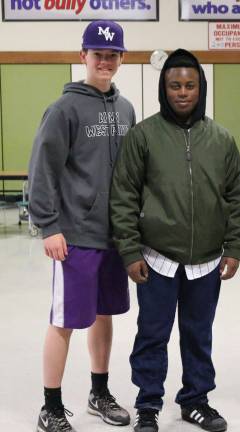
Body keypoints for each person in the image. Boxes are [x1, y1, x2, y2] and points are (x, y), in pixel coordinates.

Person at [109, 48, 240, 432]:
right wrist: (130, 250)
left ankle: (195, 400)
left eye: (190, 85)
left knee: (198, 333)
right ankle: (148, 404)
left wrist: (234, 246)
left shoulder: (220, 138)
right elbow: (123, 196)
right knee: (152, 334)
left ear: (200, 88)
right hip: (156, 259)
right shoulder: (144, 136)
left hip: (206, 261)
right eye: (175, 85)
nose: (182, 92)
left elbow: (238, 197)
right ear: (163, 88)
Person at [28, 20, 135, 432]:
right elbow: (42, 170)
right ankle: (50, 407)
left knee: (104, 314)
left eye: (112, 55)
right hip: (74, 236)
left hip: (114, 235)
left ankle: (99, 392)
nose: (105, 61)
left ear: (121, 59)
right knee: (66, 319)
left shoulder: (125, 109)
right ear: (83, 56)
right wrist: (49, 225)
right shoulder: (63, 109)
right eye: (98, 54)